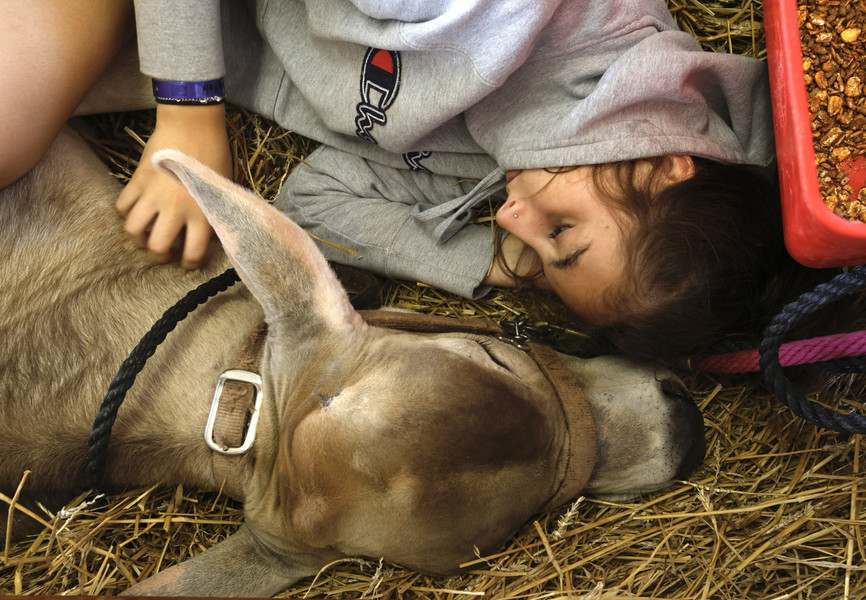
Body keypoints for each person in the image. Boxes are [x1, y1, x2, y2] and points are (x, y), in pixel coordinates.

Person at [0, 0, 821, 359]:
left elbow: (316, 201)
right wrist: (188, 111)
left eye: (541, 260)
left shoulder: (529, 163)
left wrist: (499, 269)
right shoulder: (494, 14)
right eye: (563, 236)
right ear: (663, 162)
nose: (510, 224)